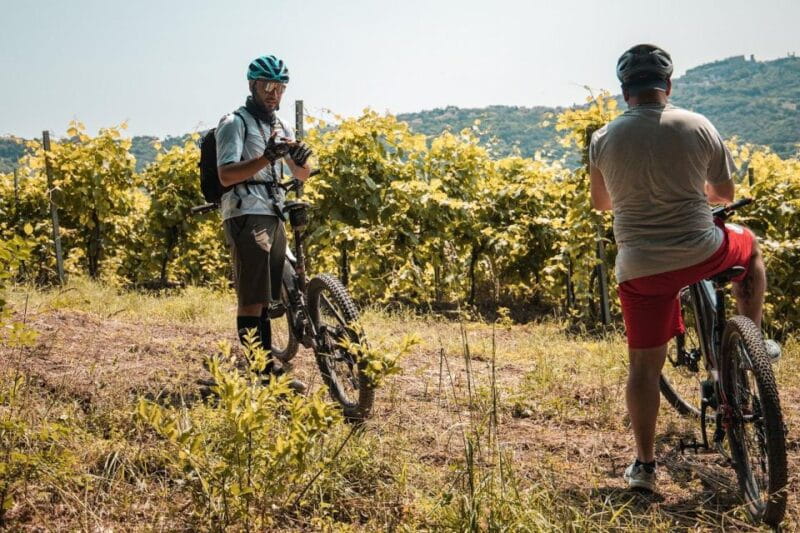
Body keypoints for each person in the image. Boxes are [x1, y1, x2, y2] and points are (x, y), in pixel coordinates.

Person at [588, 44, 780, 492]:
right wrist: (698, 195)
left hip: (640, 268)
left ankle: (645, 467)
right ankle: (752, 343)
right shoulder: (697, 124)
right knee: (750, 251)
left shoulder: (603, 138)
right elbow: (725, 191)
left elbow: (601, 204)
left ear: (624, 93)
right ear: (668, 86)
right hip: (702, 250)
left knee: (642, 370)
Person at [215, 54, 313, 391]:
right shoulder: (233, 122)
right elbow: (226, 175)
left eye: (280, 87)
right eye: (268, 86)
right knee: (253, 298)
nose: (274, 93)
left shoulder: (281, 127)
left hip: (274, 211)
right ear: (253, 85)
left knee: (270, 295)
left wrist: (301, 162)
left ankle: (266, 369)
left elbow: (300, 175)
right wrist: (265, 158)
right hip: (245, 212)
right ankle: (264, 374)